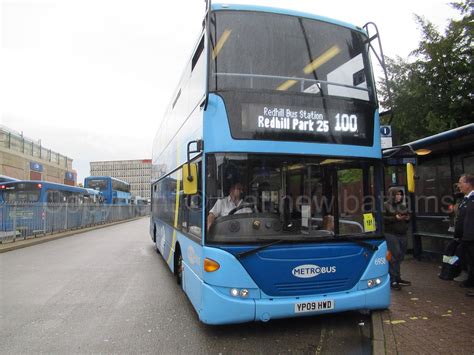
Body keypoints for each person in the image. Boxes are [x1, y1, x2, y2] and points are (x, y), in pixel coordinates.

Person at [384, 188, 411, 291]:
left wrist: (407, 218)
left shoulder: (402, 206)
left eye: (400, 194)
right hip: (391, 234)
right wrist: (395, 218)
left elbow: (408, 216)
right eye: (397, 194)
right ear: (392, 195)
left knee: (400, 256)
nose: (399, 196)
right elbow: (382, 219)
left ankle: (397, 277)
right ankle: (392, 279)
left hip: (402, 233)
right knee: (394, 256)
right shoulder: (386, 205)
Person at [453, 174, 474, 296]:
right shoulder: (465, 199)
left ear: (468, 184)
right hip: (465, 237)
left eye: (461, 182)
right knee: (469, 260)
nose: (459, 185)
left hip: (472, 236)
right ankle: (470, 280)